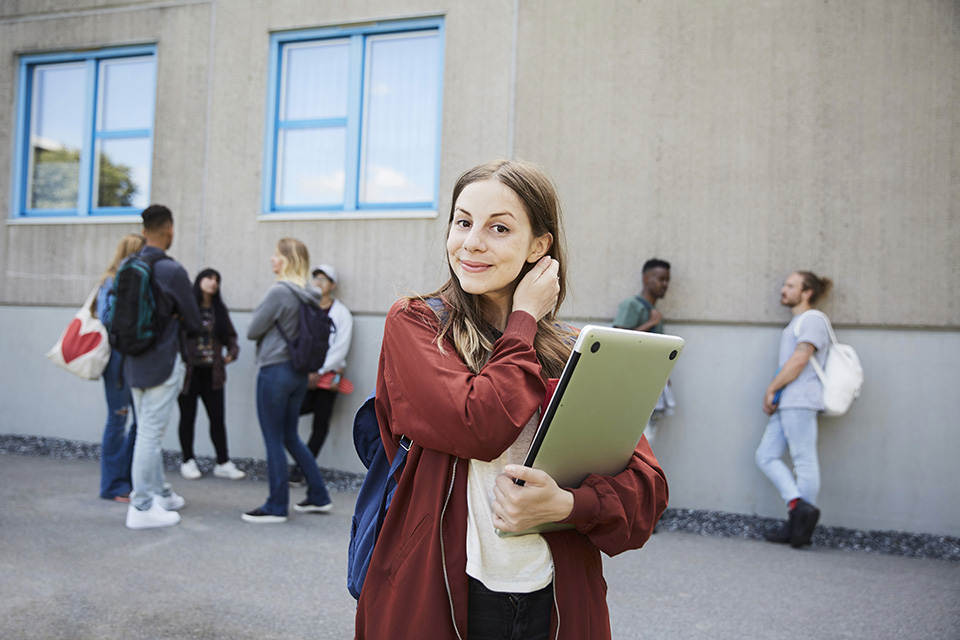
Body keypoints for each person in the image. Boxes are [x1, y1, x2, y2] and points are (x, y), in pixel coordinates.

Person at [355, 160, 668, 639]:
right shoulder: (416, 324)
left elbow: (646, 494)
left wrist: (566, 505)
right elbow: (477, 426)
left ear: (539, 246)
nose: (472, 242)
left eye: (498, 227)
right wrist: (523, 317)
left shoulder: (571, 350)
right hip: (440, 592)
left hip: (554, 599)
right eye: (463, 222)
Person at [244, 238, 333, 523]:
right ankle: (318, 495)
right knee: (290, 435)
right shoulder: (310, 293)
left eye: (276, 255)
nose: (272, 259)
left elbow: (252, 330)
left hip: (275, 370)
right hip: (297, 373)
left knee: (273, 438)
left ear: (287, 260)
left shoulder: (280, 292)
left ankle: (276, 505)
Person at [124, 205, 202, 530]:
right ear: (170, 229)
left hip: (133, 361)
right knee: (150, 436)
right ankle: (141, 507)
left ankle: (161, 492)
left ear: (143, 231)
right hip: (163, 361)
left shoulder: (129, 264)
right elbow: (195, 321)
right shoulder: (171, 270)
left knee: (145, 430)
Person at [755, 271, 833, 548]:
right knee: (766, 455)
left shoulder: (812, 320)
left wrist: (771, 388)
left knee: (803, 460)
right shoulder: (798, 323)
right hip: (788, 400)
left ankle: (800, 525)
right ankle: (799, 510)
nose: (783, 289)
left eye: (790, 285)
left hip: (800, 399)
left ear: (807, 292)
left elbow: (800, 359)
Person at [289, 264, 354, 486]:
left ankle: (301, 470)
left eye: (324, 279)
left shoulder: (341, 313)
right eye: (315, 277)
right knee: (292, 412)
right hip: (303, 373)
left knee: (321, 422)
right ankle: (299, 463)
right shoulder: (304, 308)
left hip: (329, 375)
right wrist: (307, 370)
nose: (318, 281)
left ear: (332, 285)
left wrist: (319, 370)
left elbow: (340, 347)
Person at [177, 268, 245, 481]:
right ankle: (188, 460)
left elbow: (231, 337)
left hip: (213, 373)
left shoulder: (219, 310)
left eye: (217, 279)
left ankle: (223, 462)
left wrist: (232, 353)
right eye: (209, 278)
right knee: (187, 417)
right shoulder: (186, 308)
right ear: (198, 281)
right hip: (189, 373)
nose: (213, 282)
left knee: (217, 418)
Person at [95, 233, 145, 502]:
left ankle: (130, 479)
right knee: (118, 417)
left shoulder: (138, 279)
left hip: (137, 357)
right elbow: (105, 317)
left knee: (140, 422)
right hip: (117, 358)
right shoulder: (111, 280)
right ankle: (113, 485)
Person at [613, 258, 674, 440]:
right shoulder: (631, 305)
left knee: (649, 436)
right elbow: (618, 340)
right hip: (630, 383)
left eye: (667, 280)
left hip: (650, 382)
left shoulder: (655, 311)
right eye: (661, 279)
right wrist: (650, 323)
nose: (665, 284)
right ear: (646, 279)